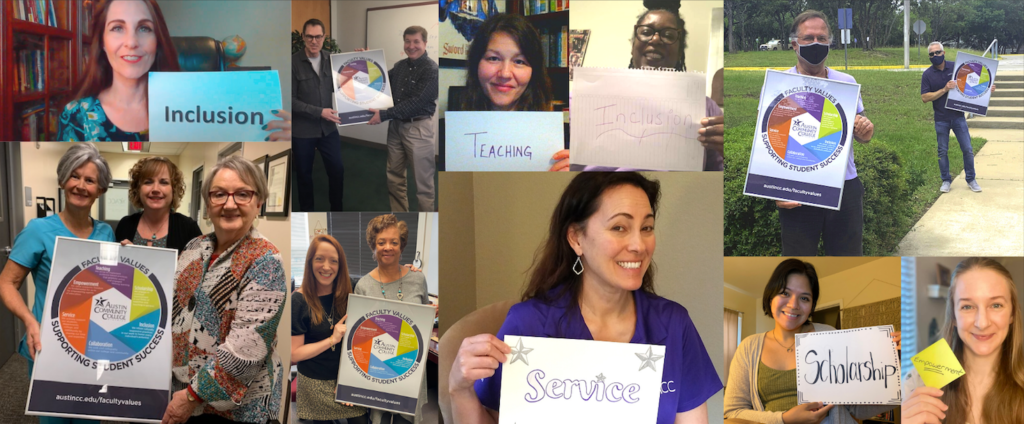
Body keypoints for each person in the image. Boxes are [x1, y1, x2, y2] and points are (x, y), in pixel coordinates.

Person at [449, 172, 722, 424]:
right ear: (576, 238)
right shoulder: (528, 323)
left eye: (647, 228)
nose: (639, 245)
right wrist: (458, 389)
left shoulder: (674, 324)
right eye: (619, 228)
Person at [161, 156, 286, 424]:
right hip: (184, 392)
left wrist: (192, 396)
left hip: (235, 409)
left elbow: (246, 349)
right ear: (208, 203)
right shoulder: (195, 247)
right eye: (219, 194)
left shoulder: (265, 260)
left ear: (258, 202)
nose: (229, 204)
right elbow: (172, 311)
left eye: (242, 194)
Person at [58, 0, 290, 142]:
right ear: (102, 41)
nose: (131, 42)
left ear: (157, 40)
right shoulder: (76, 116)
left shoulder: (199, 105)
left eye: (144, 28)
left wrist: (281, 140)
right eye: (117, 27)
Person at [0, 143, 115, 424]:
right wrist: (29, 320)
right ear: (62, 180)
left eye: (90, 180)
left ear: (100, 189)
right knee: (55, 417)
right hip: (48, 345)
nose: (81, 185)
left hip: (93, 347)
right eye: (74, 176)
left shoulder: (106, 233)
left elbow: (111, 288)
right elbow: (6, 282)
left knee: (90, 416)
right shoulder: (38, 230)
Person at [549, 0, 724, 172]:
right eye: (646, 32)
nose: (655, 40)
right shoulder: (584, 97)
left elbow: (718, 177)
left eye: (669, 35)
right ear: (633, 46)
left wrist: (726, 150)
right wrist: (564, 166)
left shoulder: (707, 109)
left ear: (680, 53)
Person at [723, 259, 899, 424]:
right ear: (770, 298)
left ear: (812, 306)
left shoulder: (830, 335)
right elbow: (732, 413)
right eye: (785, 293)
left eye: (804, 298)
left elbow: (855, 408)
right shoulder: (748, 347)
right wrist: (784, 419)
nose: (794, 305)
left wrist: (901, 369)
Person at [774, 10, 874, 256]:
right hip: (798, 188)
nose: (816, 43)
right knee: (797, 264)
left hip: (844, 186)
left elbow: (861, 134)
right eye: (808, 38)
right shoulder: (779, 84)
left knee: (847, 263)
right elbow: (771, 139)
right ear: (794, 44)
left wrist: (865, 130)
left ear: (830, 42)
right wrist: (775, 189)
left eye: (822, 38)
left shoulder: (846, 82)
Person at [903, 258, 1024, 424]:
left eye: (996, 305)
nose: (982, 323)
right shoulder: (922, 376)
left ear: (1011, 314)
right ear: (954, 316)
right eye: (967, 307)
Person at [354, 214, 433, 424]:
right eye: (381, 242)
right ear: (373, 245)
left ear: (402, 245)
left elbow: (423, 320)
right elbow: (359, 336)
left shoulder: (418, 279)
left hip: (410, 368)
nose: (387, 247)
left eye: (394, 242)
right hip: (378, 369)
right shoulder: (362, 286)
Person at [291, 235, 369, 424]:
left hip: (347, 377)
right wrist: (331, 340)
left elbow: (378, 281)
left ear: (340, 266)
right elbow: (294, 355)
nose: (326, 267)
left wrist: (403, 271)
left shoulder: (352, 288)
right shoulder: (299, 300)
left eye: (333, 261)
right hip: (315, 383)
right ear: (310, 262)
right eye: (319, 259)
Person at [364, 26, 439, 213]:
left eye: (416, 41)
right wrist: (367, 62)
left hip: (419, 128)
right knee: (394, 176)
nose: (411, 46)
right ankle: (400, 218)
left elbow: (416, 102)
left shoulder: (432, 70)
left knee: (424, 185)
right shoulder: (399, 67)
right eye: (407, 41)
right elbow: (380, 82)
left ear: (425, 43)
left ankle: (426, 225)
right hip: (396, 126)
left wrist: (382, 115)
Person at [921, 42, 990, 194]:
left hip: (958, 117)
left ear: (943, 52)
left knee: (967, 149)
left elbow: (975, 81)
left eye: (937, 52)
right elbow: (925, 97)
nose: (935, 56)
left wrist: (987, 87)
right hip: (941, 119)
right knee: (942, 151)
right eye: (932, 54)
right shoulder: (927, 75)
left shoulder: (957, 68)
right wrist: (944, 89)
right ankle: (946, 180)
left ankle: (971, 179)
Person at [293, 18, 346, 211]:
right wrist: (319, 112)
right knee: (304, 176)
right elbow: (289, 101)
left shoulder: (332, 60)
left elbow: (347, 86)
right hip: (302, 131)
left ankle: (337, 210)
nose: (314, 41)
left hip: (328, 129)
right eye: (309, 36)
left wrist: (361, 62)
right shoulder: (292, 62)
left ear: (324, 37)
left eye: (318, 36)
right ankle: (307, 212)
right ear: (303, 37)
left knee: (337, 170)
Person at [460, 13, 552, 112]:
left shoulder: (547, 126)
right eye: (494, 58)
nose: (505, 74)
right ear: (476, 63)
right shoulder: (457, 125)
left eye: (519, 61)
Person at [115, 156, 202, 253]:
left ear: (173, 189)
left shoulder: (189, 228)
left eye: (164, 182)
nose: (155, 189)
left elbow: (202, 266)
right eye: (148, 182)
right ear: (138, 189)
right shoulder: (125, 224)